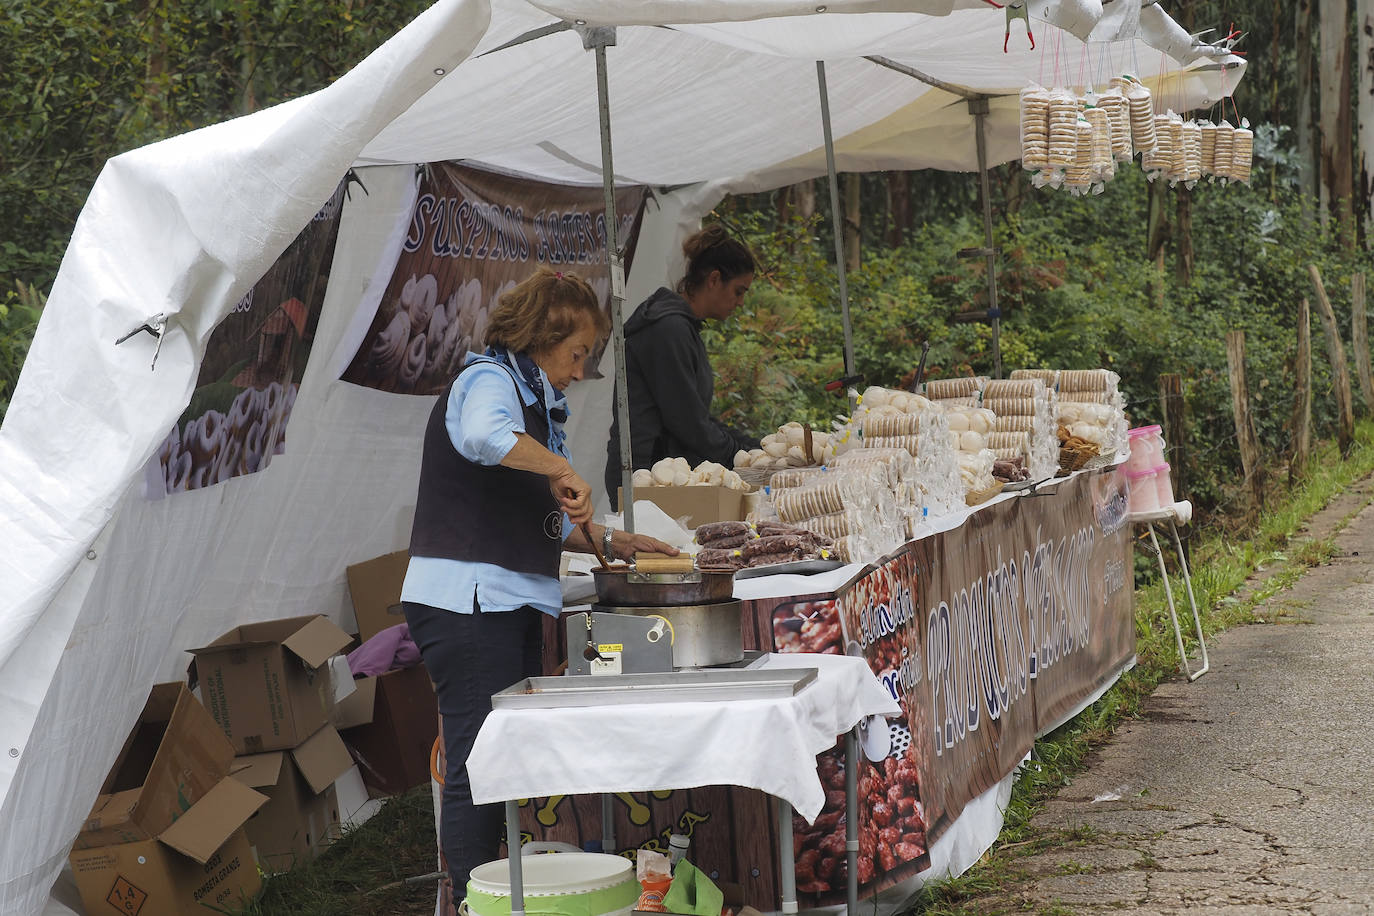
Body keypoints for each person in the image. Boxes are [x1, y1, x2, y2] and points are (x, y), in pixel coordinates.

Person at [401, 267, 678, 899]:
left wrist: (608, 539)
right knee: (479, 764)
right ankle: (473, 901)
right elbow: (481, 438)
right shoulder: (487, 382)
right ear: (542, 334)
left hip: (498, 603)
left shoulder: (533, 404)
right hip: (468, 604)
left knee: (498, 758)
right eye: (577, 353)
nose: (580, 371)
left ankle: (497, 895)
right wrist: (559, 465)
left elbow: (536, 515)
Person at [604, 223, 760, 497]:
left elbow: (696, 416)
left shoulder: (681, 327)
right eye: (739, 291)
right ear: (713, 279)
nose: (740, 303)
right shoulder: (668, 330)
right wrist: (745, 456)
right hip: (646, 475)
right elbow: (689, 424)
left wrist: (752, 447)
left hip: (662, 472)